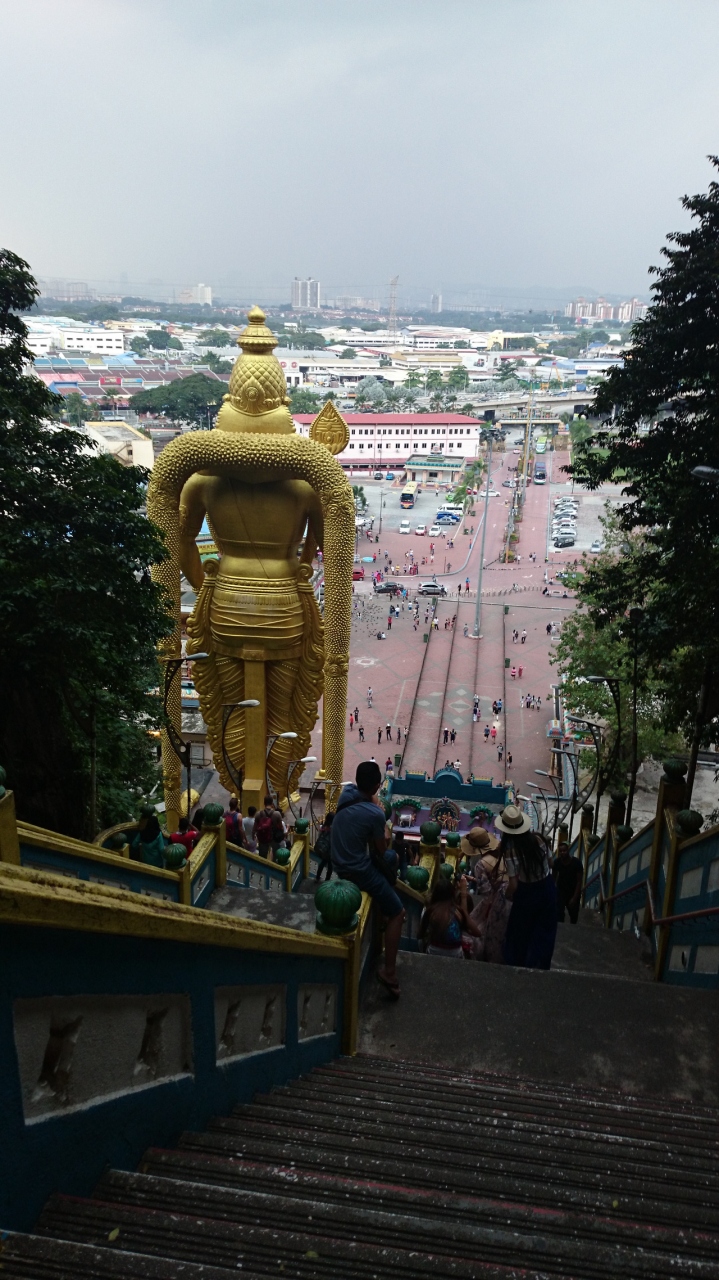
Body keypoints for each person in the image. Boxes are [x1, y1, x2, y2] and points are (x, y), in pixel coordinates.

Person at [331, 761, 405, 997]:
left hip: (337, 861)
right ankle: (389, 972)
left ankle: (382, 914)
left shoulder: (347, 793)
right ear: (376, 787)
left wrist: (374, 800)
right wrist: (384, 827)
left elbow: (369, 798)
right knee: (399, 911)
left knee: (391, 860)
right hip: (357, 870)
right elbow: (382, 849)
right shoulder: (375, 814)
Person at [495, 805, 557, 970]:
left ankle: (519, 964)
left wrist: (506, 895)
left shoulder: (511, 852)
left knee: (521, 931)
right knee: (544, 931)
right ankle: (540, 965)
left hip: (526, 893)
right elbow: (551, 863)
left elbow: (513, 884)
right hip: (547, 887)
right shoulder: (540, 839)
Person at [419, 876, 481, 957]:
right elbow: (477, 933)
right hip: (455, 953)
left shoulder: (430, 911)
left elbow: (420, 935)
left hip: (433, 951)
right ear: (452, 894)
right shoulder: (458, 911)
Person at [553, 840, 583, 923]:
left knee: (573, 916)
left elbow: (579, 881)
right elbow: (553, 878)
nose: (562, 853)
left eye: (564, 850)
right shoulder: (557, 862)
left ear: (568, 850)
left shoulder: (577, 863)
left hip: (573, 892)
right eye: (561, 851)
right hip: (561, 892)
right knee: (559, 915)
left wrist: (574, 897)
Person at [313, 812, 334, 882]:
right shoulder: (332, 828)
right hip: (330, 850)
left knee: (323, 863)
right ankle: (327, 881)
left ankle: (317, 877)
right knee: (330, 867)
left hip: (323, 849)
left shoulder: (323, 827)